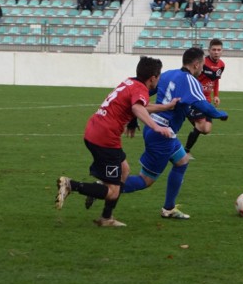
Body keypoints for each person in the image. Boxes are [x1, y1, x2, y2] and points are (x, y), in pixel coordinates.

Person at [87, 47, 231, 220]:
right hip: (162, 134)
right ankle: (103, 188)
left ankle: (169, 208)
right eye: (201, 64)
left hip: (159, 129)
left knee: (182, 161)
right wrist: (220, 114)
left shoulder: (168, 74)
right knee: (145, 180)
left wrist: (133, 119)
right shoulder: (191, 81)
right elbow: (202, 104)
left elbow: (144, 92)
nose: (202, 68)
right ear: (196, 64)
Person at [55, 57, 177, 227]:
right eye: (159, 76)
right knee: (113, 191)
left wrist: (164, 107)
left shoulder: (130, 82)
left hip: (95, 130)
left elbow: (139, 105)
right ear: (153, 78)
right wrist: (156, 126)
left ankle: (106, 217)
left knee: (124, 171)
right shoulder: (140, 89)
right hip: (105, 139)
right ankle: (71, 185)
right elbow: (137, 108)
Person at [184, 39, 226, 154]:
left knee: (206, 130)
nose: (216, 52)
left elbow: (216, 80)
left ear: (222, 51)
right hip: (196, 98)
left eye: (218, 50)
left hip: (206, 100)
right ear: (209, 50)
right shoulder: (202, 63)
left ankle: (185, 149)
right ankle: (185, 151)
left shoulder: (221, 65)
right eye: (214, 50)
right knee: (201, 125)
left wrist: (216, 95)